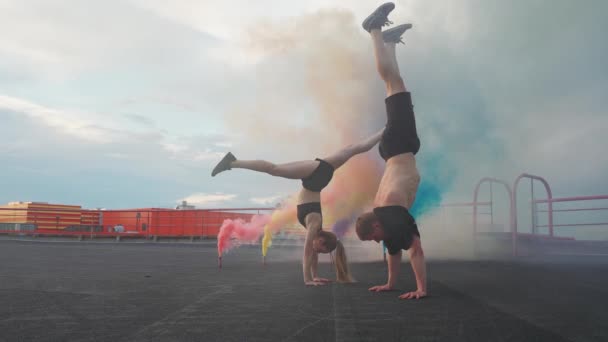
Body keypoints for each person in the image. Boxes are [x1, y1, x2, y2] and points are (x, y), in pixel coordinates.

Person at [212, 129, 383, 286]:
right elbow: (308, 252)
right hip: (315, 177)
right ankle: (232, 162)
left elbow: (313, 253)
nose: (318, 252)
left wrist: (315, 275)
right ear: (322, 241)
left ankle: (385, 129)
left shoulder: (317, 230)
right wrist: (308, 279)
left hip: (320, 175)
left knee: (354, 149)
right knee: (275, 169)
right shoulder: (315, 225)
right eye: (321, 249)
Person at [355, 2, 427, 300]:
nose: (376, 242)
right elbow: (395, 252)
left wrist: (422, 289)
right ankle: (391, 43)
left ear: (375, 225)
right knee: (394, 85)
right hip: (396, 148)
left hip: (398, 145)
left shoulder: (391, 215)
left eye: (372, 237)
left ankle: (373, 29)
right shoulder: (386, 217)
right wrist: (391, 284)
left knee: (392, 82)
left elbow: (416, 249)